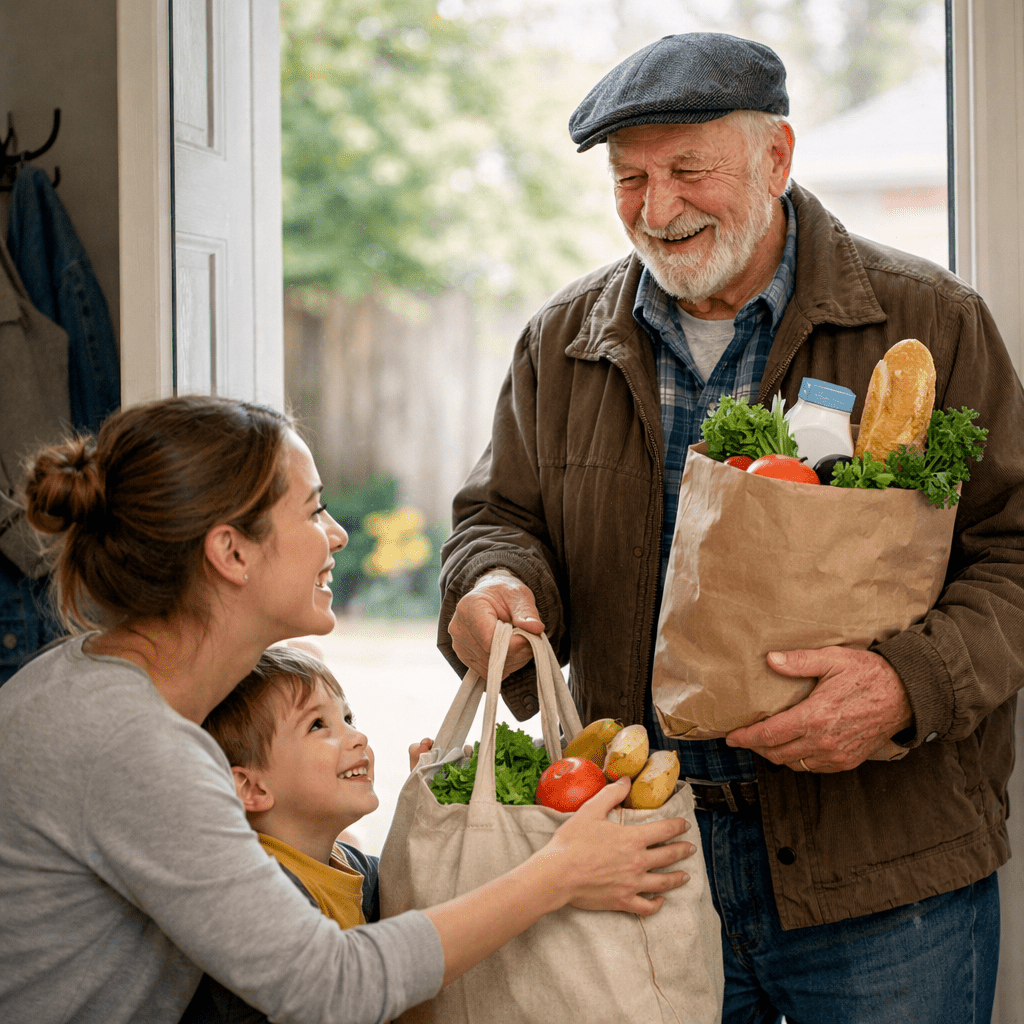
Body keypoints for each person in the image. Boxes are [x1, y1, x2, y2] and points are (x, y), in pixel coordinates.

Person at [438, 31, 1024, 1023]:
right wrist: (488, 581)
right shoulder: (559, 342)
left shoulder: (928, 320)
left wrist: (901, 684)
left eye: (687, 172)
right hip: (643, 862)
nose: (656, 211)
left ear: (777, 160)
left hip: (882, 875)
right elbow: (498, 517)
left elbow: (1011, 552)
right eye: (630, 180)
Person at [0, 394, 694, 1024]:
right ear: (231, 552)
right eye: (312, 510)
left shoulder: (92, 684)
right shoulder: (133, 746)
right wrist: (558, 871)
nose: (336, 535)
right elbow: (328, 986)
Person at [184, 644, 425, 1022]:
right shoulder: (266, 894)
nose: (356, 736)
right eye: (318, 725)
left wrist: (422, 810)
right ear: (253, 789)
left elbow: (413, 891)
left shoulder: (348, 865)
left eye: (349, 717)